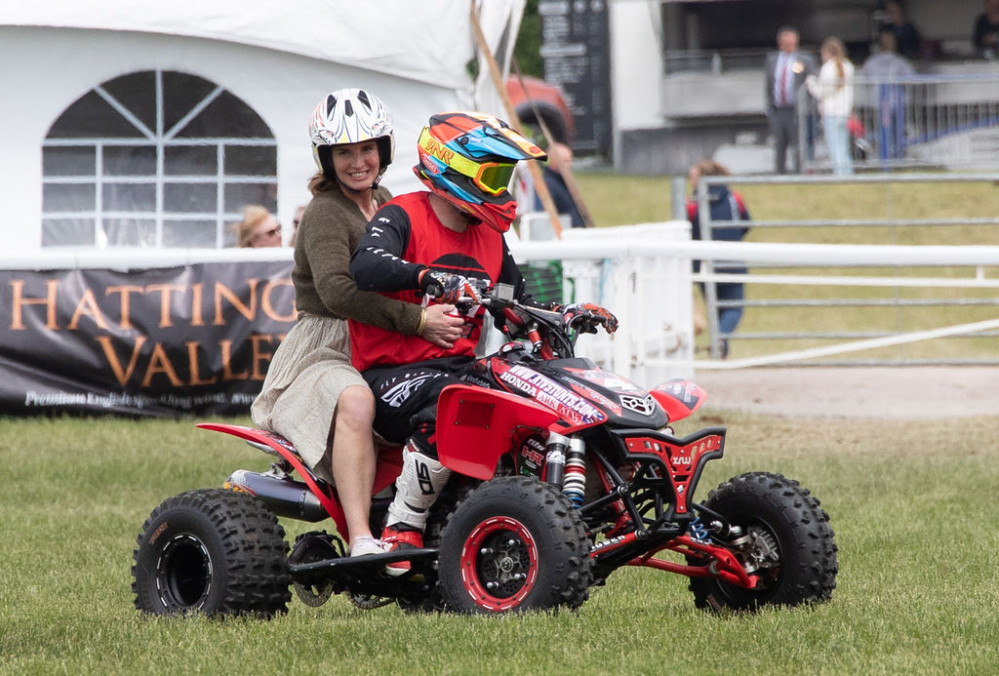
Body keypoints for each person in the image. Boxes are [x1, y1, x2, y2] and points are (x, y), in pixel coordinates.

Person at [348, 111, 617, 574]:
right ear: (450, 168)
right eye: (491, 174)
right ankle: (401, 526)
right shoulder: (402, 215)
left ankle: (579, 505)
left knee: (540, 390)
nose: (500, 187)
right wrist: (430, 277)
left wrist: (566, 313)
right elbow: (365, 267)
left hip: (458, 369)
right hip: (388, 376)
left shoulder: (489, 236)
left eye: (503, 175)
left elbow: (516, 302)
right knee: (455, 398)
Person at [250, 89, 463, 558]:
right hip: (329, 344)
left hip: (385, 338)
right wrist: (418, 319)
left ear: (383, 151)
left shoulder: (384, 199)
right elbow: (338, 294)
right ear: (326, 158)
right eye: (344, 152)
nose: (357, 161)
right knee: (356, 399)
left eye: (367, 148)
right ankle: (364, 539)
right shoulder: (326, 212)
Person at [685, 160, 751, 359]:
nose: (691, 181)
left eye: (693, 177)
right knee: (734, 307)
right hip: (733, 260)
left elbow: (687, 231)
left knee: (716, 307)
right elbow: (746, 223)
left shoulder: (692, 204)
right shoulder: (733, 198)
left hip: (705, 264)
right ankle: (721, 342)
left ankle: (720, 346)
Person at [764, 26, 818, 174]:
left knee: (798, 144)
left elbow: (812, 83)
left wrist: (809, 106)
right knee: (779, 144)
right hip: (778, 109)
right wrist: (769, 106)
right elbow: (768, 84)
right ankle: (779, 173)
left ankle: (800, 172)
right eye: (785, 43)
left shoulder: (805, 60)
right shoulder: (772, 60)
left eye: (791, 43)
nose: (788, 46)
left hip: (797, 110)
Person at [863, 29, 915, 163]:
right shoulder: (900, 61)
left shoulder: (870, 62)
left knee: (883, 133)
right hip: (897, 103)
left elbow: (867, 79)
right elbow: (911, 78)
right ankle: (898, 159)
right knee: (898, 133)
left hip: (879, 103)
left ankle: (885, 159)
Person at [806, 37, 856, 176]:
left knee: (835, 147)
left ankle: (840, 175)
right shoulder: (848, 65)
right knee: (844, 147)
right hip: (844, 112)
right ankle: (848, 173)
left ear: (826, 52)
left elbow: (821, 92)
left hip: (831, 113)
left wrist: (811, 83)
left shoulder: (828, 68)